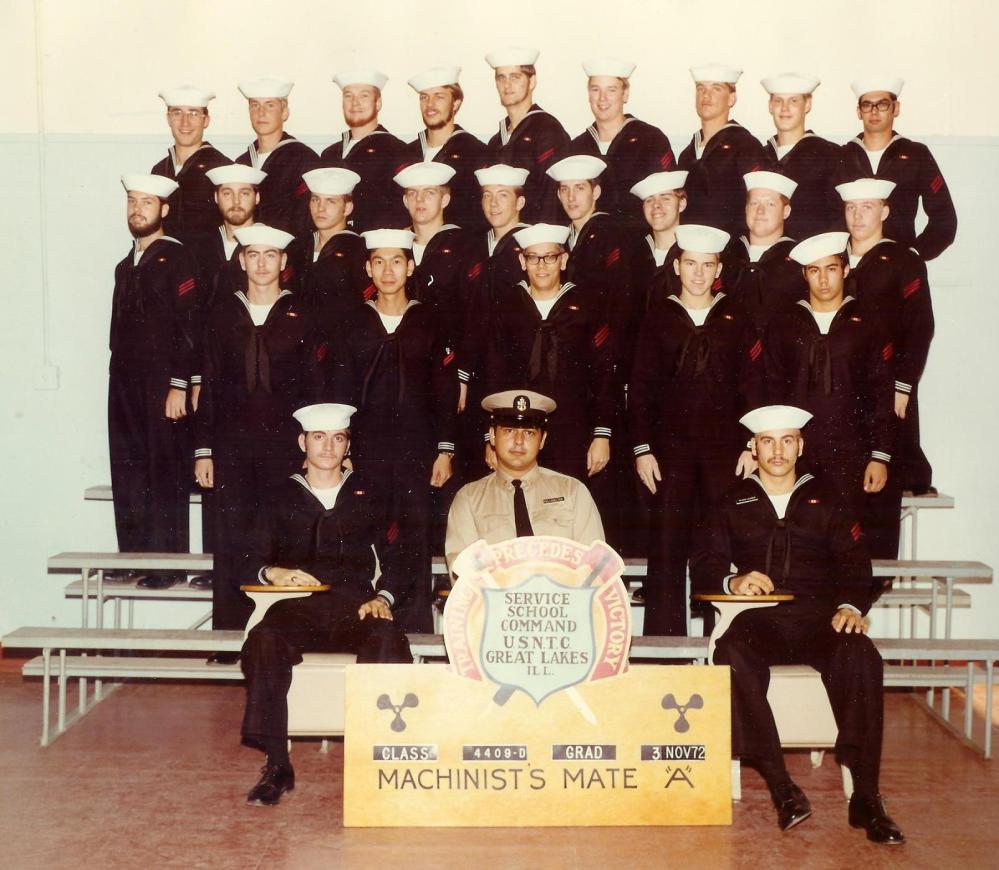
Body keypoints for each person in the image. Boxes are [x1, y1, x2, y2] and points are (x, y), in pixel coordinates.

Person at [691, 404, 905, 844]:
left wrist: (850, 605)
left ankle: (866, 797)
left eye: (787, 440)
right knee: (729, 652)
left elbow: (855, 564)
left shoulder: (827, 498)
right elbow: (705, 565)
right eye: (767, 441)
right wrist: (734, 581)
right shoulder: (731, 500)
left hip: (818, 618)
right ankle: (782, 787)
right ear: (753, 447)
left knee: (862, 654)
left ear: (800, 446)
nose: (777, 451)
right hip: (759, 618)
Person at [240, 402, 412, 807]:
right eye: (319, 437)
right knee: (264, 640)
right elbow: (246, 557)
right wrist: (274, 572)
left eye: (338, 438)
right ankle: (277, 765)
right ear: (303, 442)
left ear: (348, 445)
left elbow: (401, 559)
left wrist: (383, 597)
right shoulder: (279, 495)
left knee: (388, 639)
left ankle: (377, 760)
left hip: (356, 606)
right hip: (299, 606)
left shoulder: (371, 494)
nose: (328, 447)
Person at [194, 224, 327, 656]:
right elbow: (209, 387)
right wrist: (204, 450)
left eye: (271, 255)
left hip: (284, 445)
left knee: (283, 537)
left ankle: (282, 637)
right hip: (232, 445)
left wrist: (310, 448)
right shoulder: (221, 314)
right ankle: (228, 640)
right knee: (231, 537)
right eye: (254, 255)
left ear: (284, 262)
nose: (262, 264)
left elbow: (315, 386)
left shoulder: (302, 314)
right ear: (242, 260)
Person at [628, 224, 764, 635]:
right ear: (677, 266)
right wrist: (642, 449)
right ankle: (664, 649)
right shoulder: (658, 316)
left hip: (724, 451)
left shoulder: (737, 316)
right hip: (671, 451)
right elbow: (641, 387)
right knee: (666, 546)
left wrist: (750, 444)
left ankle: (721, 643)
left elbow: (753, 384)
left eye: (707, 265)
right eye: (691, 264)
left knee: (719, 546)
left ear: (719, 268)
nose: (699, 274)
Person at [330, 229, 458, 633]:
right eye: (379, 262)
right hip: (367, 451)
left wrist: (444, 450)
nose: (388, 271)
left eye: (397, 262)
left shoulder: (431, 320)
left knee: (414, 536)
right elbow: (340, 389)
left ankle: (415, 630)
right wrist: (345, 448)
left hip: (417, 451)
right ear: (368, 268)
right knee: (368, 533)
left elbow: (446, 391)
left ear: (411, 267)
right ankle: (372, 628)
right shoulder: (352, 322)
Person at [765, 232, 898, 558]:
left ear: (846, 270)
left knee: (847, 541)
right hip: (798, 453)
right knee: (800, 541)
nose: (823, 280)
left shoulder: (868, 322)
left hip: (851, 452)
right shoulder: (784, 323)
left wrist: (880, 455)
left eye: (831, 269)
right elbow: (772, 389)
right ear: (804, 274)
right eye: (814, 270)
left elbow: (881, 392)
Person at [111, 172, 200, 588]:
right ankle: (133, 556)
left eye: (146, 203)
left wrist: (180, 383)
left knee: (164, 471)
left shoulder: (177, 258)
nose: (137, 209)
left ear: (164, 209)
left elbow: (190, 324)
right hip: (124, 382)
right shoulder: (124, 265)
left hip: (162, 383)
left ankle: (167, 563)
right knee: (127, 467)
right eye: (132, 201)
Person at [484, 223, 616, 485]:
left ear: (563, 260)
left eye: (550, 257)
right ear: (522, 261)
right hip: (519, 428)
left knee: (567, 498)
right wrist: (490, 439)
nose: (541, 265)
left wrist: (602, 434)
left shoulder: (588, 305)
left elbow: (604, 372)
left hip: (573, 427)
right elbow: (493, 371)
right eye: (533, 257)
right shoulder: (507, 305)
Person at [838, 178, 935, 497]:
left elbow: (920, 326)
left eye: (867, 207)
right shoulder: (832, 260)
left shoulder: (904, 260)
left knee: (892, 476)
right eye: (851, 208)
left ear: (885, 212)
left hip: (890, 378)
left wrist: (904, 384)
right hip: (843, 377)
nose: (858, 216)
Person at [445, 390, 604, 573]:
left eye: (529, 433)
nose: (519, 441)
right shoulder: (469, 499)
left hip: (562, 590)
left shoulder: (573, 492)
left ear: (542, 440)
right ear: (493, 436)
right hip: (495, 592)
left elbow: (596, 567)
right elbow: (464, 574)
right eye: (509, 430)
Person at [839, 77, 957, 261]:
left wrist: (915, 253)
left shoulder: (916, 154)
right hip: (851, 264)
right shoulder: (842, 156)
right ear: (859, 111)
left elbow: (944, 217)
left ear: (896, 108)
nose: (874, 111)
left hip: (899, 263)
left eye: (882, 104)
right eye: (867, 105)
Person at [565, 58, 674, 229]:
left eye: (611, 90)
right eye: (595, 89)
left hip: (639, 240)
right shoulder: (576, 149)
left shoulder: (651, 140)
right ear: (588, 94)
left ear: (625, 94)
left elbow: (670, 202)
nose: (602, 98)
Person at [677, 64, 766, 235]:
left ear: (731, 98)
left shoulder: (746, 146)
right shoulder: (686, 155)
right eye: (700, 88)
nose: (706, 95)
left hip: (731, 246)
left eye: (716, 89)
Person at [484, 46, 569, 223]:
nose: (507, 85)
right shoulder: (496, 141)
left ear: (532, 82)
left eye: (515, 77)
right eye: (501, 78)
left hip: (535, 236)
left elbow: (552, 199)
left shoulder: (547, 130)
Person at [322, 70, 409, 232]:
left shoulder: (396, 150)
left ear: (378, 103)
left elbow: (405, 211)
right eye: (348, 96)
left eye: (364, 96)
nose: (355, 103)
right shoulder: (329, 154)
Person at [404, 66, 488, 231]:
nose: (430, 105)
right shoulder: (406, 153)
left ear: (455, 103)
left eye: (439, 97)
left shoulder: (476, 153)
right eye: (424, 97)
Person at [759, 73, 842, 239]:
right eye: (778, 101)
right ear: (770, 106)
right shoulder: (759, 155)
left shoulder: (829, 154)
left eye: (793, 101)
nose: (785, 108)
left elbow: (839, 217)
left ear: (807, 104)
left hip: (811, 251)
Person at [723, 170, 807, 333]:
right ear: (746, 208)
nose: (760, 211)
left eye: (770, 204)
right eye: (754, 203)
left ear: (786, 211)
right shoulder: (727, 256)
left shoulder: (799, 261)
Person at [284, 167, 369, 325]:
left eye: (330, 201)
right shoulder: (297, 247)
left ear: (347, 208)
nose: (320, 208)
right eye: (315, 199)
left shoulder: (359, 250)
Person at [234, 78, 317, 236]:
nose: (261, 113)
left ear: (284, 112)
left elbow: (305, 222)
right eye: (255, 105)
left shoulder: (304, 159)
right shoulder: (242, 163)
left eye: (270, 105)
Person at [151, 86, 230, 246]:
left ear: (205, 120)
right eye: (177, 113)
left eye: (193, 113)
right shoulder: (159, 171)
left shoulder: (223, 168)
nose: (185, 122)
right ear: (168, 119)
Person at [193, 163, 265, 313]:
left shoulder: (268, 244)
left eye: (244, 193)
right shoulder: (200, 247)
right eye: (227, 193)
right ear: (216, 197)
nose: (236, 201)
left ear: (257, 197)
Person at [629, 170, 689, 306]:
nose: (656, 205)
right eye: (649, 199)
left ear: (682, 204)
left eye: (665, 198)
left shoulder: (693, 254)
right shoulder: (633, 256)